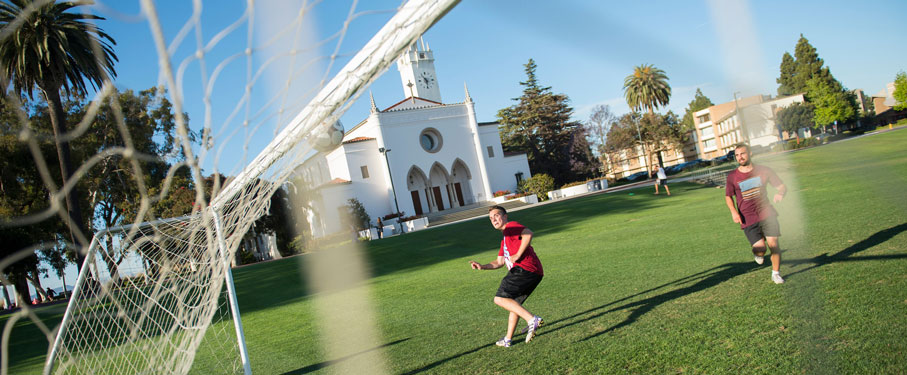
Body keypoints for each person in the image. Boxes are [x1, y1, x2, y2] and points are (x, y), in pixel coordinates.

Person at [468, 205, 544, 347]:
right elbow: (499, 262)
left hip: (524, 269)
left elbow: (528, 233)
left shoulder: (511, 227)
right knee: (513, 304)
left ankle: (532, 319)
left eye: (496, 216)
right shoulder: (505, 239)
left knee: (500, 299)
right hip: (535, 272)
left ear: (505, 216)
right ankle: (508, 339)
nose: (494, 220)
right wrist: (482, 266)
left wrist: (518, 254)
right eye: (491, 218)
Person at [725, 143, 787, 284]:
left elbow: (781, 186)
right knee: (760, 249)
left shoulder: (764, 170)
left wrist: (780, 193)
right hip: (748, 217)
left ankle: (776, 273)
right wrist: (734, 212)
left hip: (767, 212)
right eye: (737, 155)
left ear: (750, 153)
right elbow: (728, 196)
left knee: (774, 244)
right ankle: (758, 254)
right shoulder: (732, 176)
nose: (740, 157)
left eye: (743, 153)